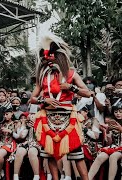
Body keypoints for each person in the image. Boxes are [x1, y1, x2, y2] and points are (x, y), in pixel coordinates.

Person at [30, 34, 91, 180]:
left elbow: (88, 93)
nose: (48, 61)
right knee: (50, 154)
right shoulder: (42, 76)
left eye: (51, 57)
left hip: (68, 117)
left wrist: (71, 87)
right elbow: (32, 99)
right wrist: (44, 101)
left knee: (77, 155)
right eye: (46, 58)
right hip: (48, 118)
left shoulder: (71, 74)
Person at [88, 101, 122, 180]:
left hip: (120, 149)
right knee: (100, 157)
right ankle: (87, 178)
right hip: (114, 147)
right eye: (116, 112)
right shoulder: (112, 124)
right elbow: (109, 142)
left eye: (120, 112)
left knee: (113, 156)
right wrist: (108, 133)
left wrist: (121, 129)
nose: (118, 114)